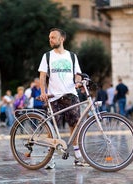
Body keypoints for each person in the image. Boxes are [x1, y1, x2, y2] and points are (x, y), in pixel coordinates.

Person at [38, 28, 86, 168]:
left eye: (53, 37)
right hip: (54, 97)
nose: (50, 40)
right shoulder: (47, 56)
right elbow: (42, 76)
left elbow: (77, 73)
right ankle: (50, 158)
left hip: (70, 94)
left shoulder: (71, 56)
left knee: (75, 124)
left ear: (62, 39)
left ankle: (77, 155)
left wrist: (77, 82)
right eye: (49, 37)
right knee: (51, 128)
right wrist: (43, 92)